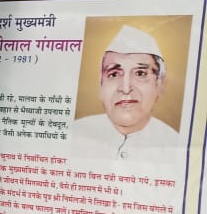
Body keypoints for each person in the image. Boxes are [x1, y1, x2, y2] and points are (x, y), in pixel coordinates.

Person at [71, 24, 179, 160]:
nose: (126, 88)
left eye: (140, 73)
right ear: (101, 85)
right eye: (114, 74)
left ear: (160, 84)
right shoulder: (73, 134)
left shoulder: (177, 146)